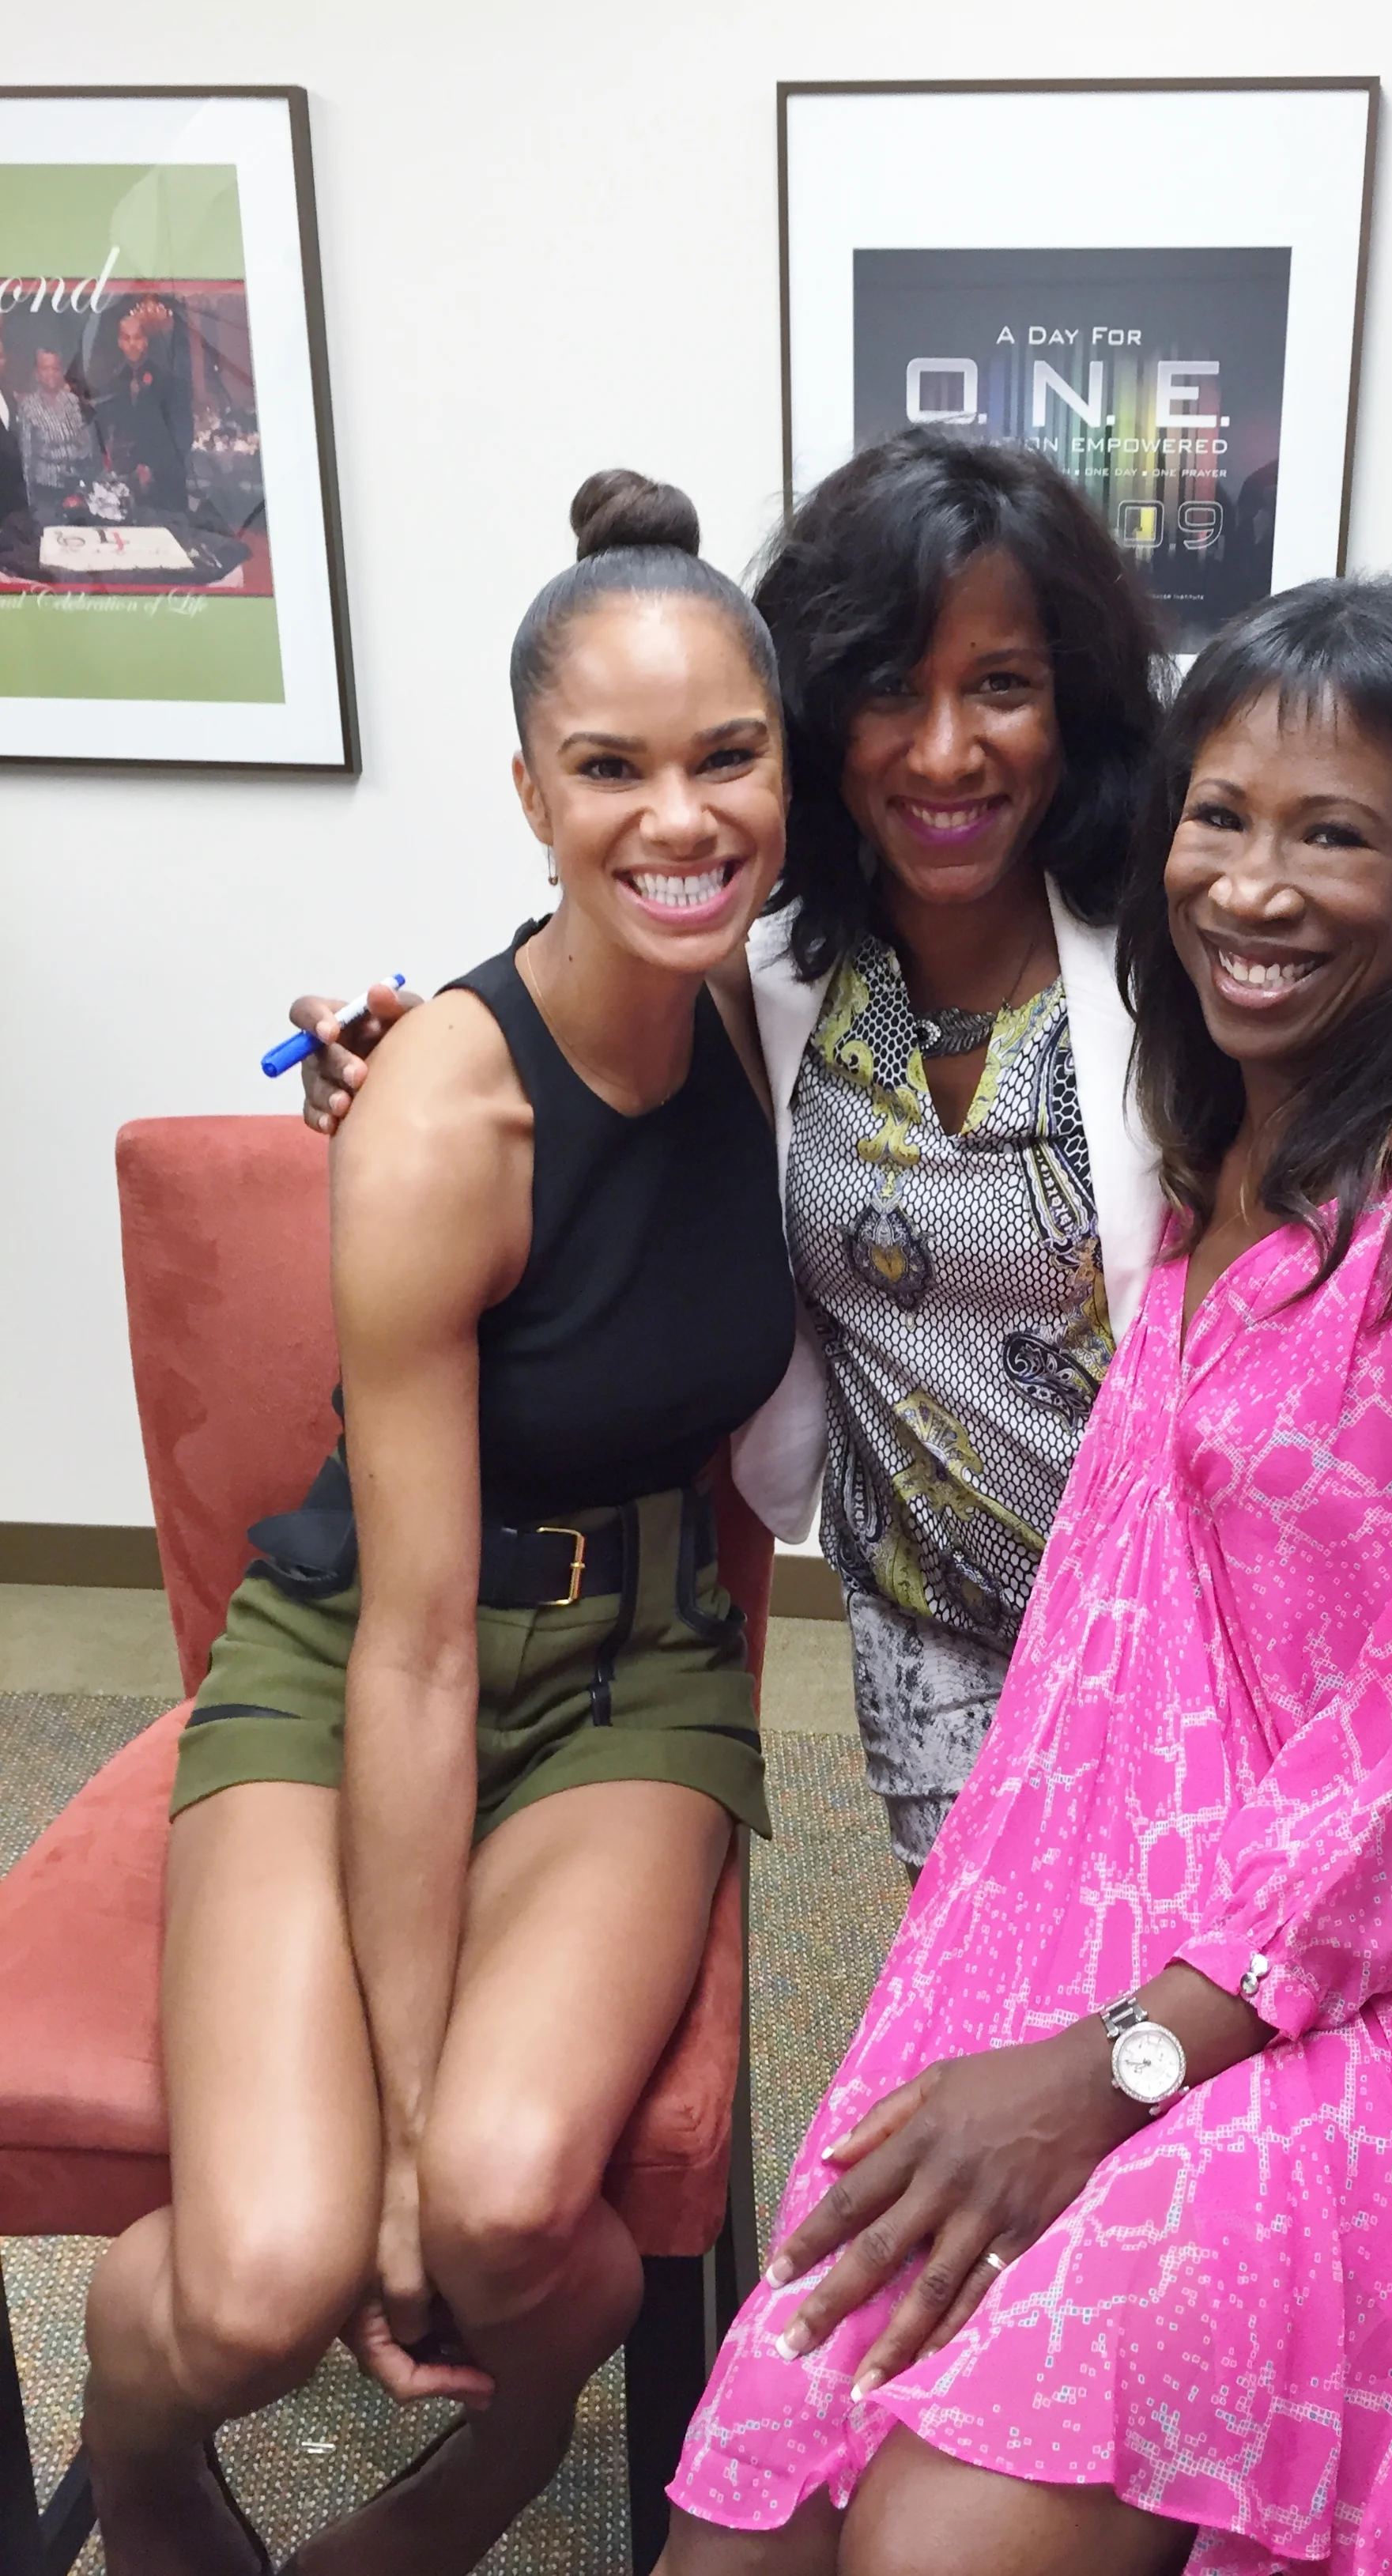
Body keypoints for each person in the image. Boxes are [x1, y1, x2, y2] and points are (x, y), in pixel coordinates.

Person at [659, 574, 1392, 2576]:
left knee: (941, 2536)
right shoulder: (1208, 1154)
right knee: (771, 2476)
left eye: (1333, 833)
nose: (1253, 885)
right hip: (1192, 1911)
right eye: (1220, 817)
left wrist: (1111, 2067)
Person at [293, 431, 1392, 1874]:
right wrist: (396, 1055)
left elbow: (1379, 1031)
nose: (945, 748)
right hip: (928, 1631)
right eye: (890, 686)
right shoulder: (765, 962)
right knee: (982, 2049)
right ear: (812, 716)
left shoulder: (1176, 946)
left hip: (1190, 1635)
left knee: (1182, 2053)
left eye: (1001, 686)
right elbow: (575, 998)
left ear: (1073, 704)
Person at [81, 470, 797, 2576]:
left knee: (513, 2220)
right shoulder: (437, 1114)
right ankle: (131, 2441)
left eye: (728, 757)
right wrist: (384, 2136)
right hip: (357, 1662)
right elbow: (402, 1649)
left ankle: (484, 2477)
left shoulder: (769, 1000)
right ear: (525, 791)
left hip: (641, 1671)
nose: (682, 820)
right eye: (612, 770)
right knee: (268, 2275)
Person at [96, 306, 191, 516]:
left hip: (165, 483)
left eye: (137, 338)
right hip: (127, 484)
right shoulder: (113, 383)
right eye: (126, 338)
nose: (132, 345)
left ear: (145, 341)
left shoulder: (167, 380)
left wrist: (153, 467)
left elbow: (181, 434)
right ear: (119, 343)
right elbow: (111, 431)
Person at [15, 341, 100, 523]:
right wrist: (30, 503)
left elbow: (85, 443)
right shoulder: (28, 407)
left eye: (55, 368)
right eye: (45, 369)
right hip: (45, 491)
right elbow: (27, 459)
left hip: (75, 488)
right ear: (37, 373)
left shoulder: (72, 401)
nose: (50, 374)